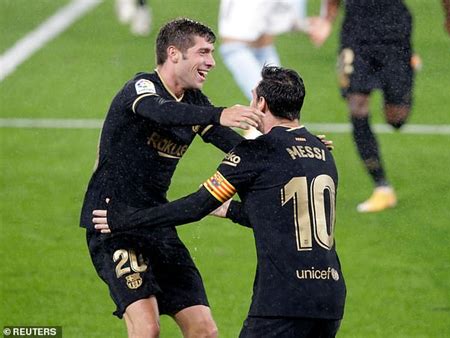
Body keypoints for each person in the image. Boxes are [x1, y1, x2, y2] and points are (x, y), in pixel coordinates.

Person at [93, 66, 346, 337]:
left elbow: (194, 206)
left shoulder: (255, 154)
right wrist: (230, 210)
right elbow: (278, 216)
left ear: (261, 103)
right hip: (330, 299)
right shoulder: (321, 152)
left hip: (282, 301)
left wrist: (126, 220)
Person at [80, 18, 264, 338]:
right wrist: (218, 113)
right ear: (174, 53)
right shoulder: (142, 88)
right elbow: (159, 111)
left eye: (212, 53)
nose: (211, 62)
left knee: (204, 330)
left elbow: (235, 148)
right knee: (148, 328)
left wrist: (284, 147)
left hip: (156, 219)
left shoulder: (193, 101)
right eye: (203, 52)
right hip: (114, 221)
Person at [308, 0, 450, 213]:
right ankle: (382, 187)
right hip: (356, 35)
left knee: (396, 119)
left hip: (394, 32)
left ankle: (409, 65)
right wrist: (326, 20)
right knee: (357, 106)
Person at [218, 0, 311, 138]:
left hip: (260, 48)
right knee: (274, 100)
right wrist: (304, 24)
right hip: (243, 48)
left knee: (281, 100)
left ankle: (295, 143)